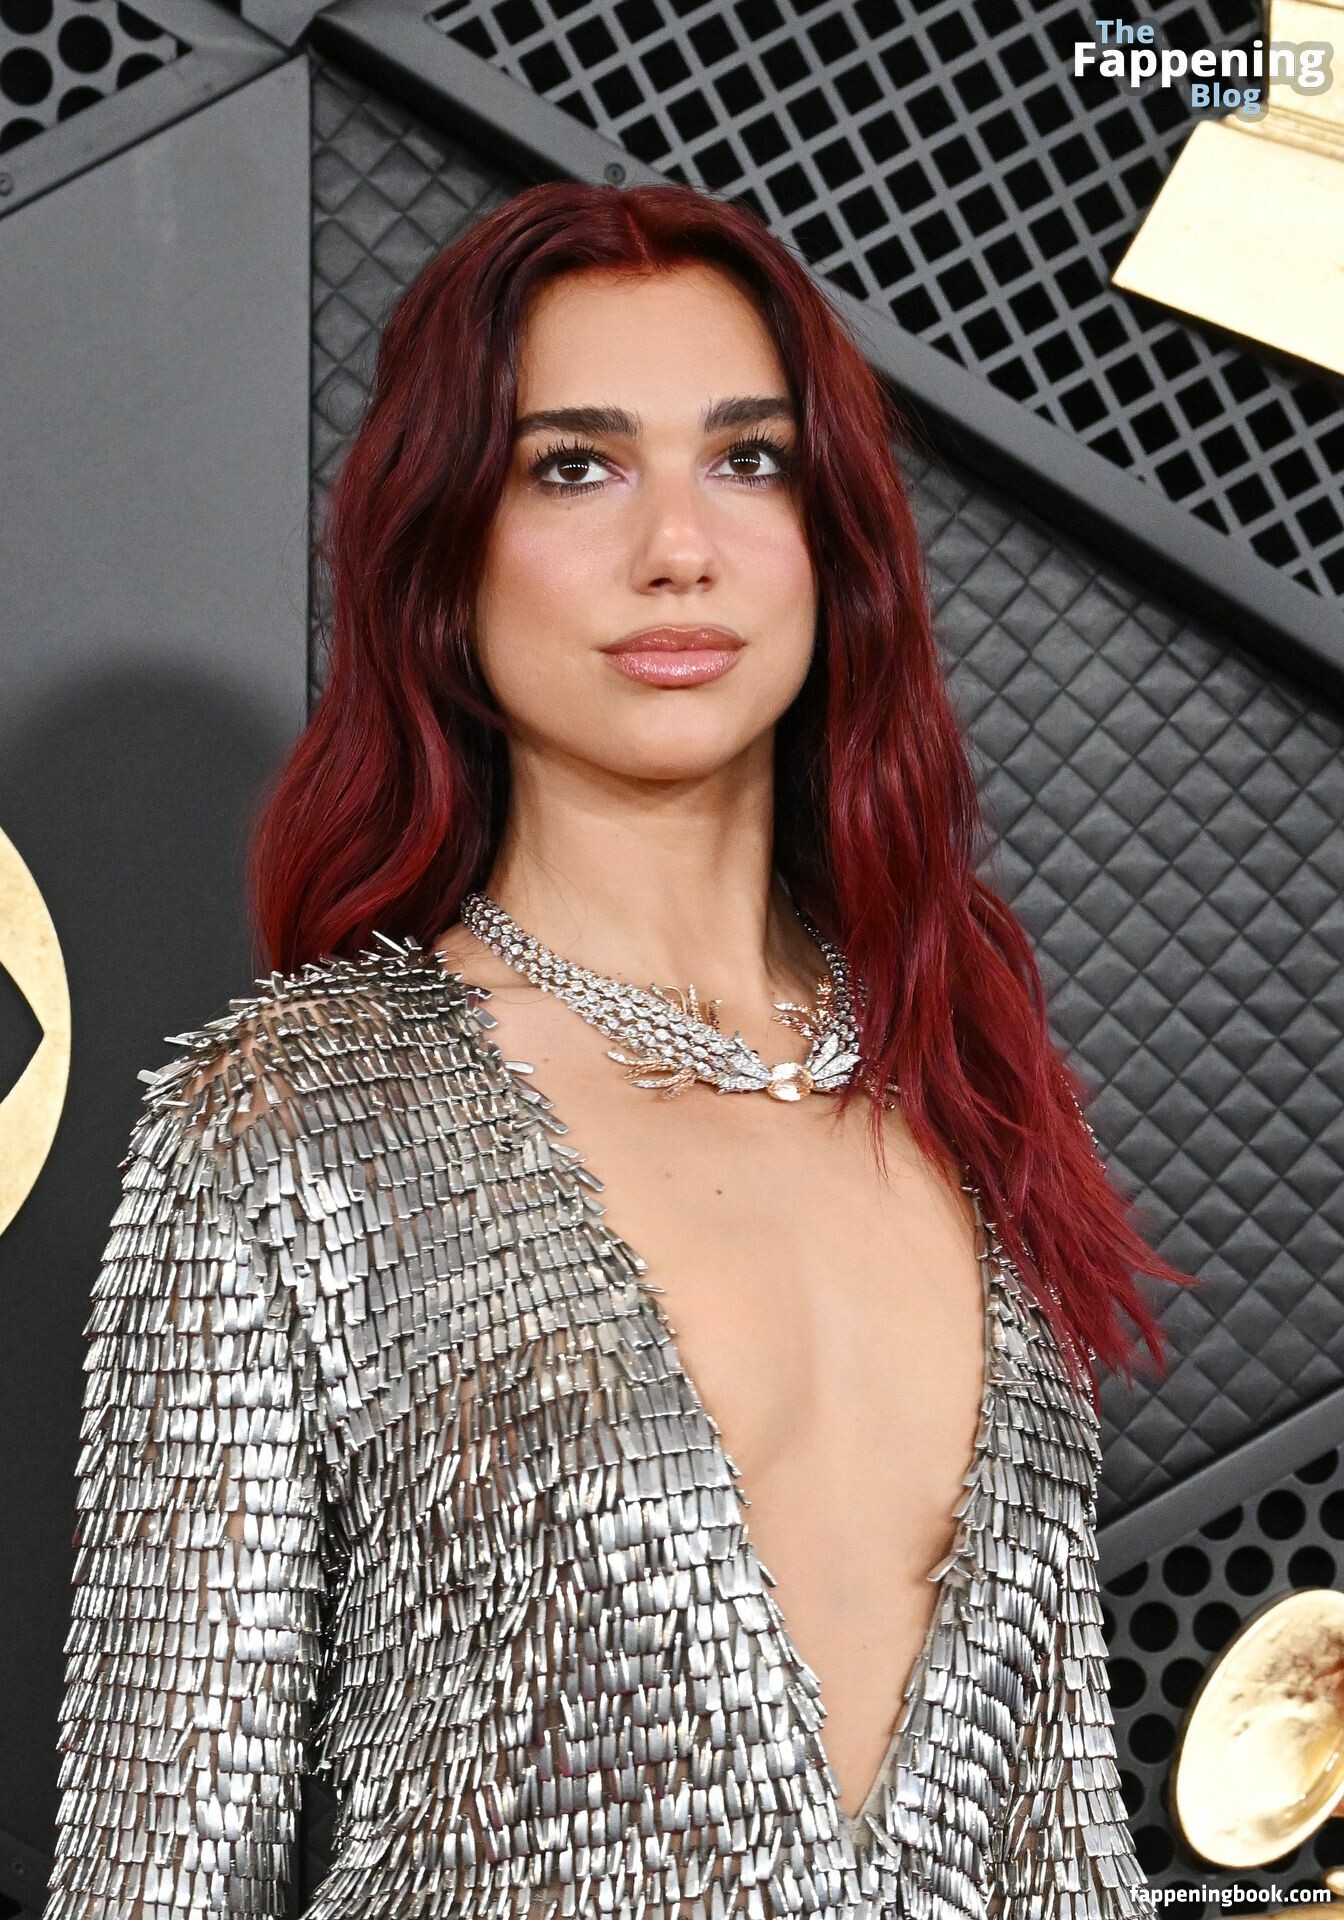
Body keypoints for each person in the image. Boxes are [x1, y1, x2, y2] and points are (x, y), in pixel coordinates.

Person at [42, 180, 1192, 1920]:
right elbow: (157, 1870)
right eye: (575, 466)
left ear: (834, 539)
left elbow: (1065, 1841)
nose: (680, 547)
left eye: (751, 461)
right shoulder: (293, 1122)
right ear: (445, 549)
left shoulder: (963, 1079)